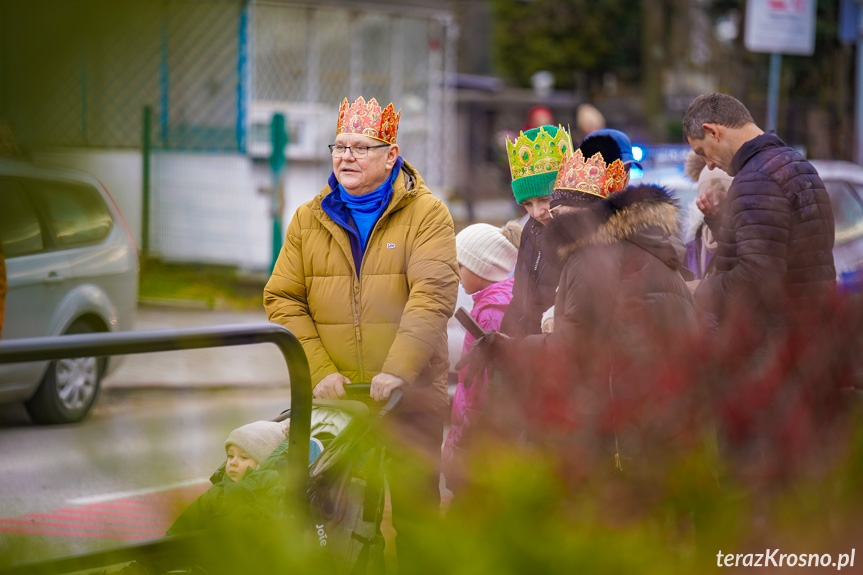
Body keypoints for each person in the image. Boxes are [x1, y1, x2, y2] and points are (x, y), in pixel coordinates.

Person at [263, 96, 459, 570]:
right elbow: (282, 297)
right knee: (336, 521)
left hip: (409, 401)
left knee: (415, 520)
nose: (345, 157)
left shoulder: (427, 214)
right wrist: (320, 370)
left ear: (391, 155)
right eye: (340, 146)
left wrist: (397, 371)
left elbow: (432, 295)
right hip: (337, 403)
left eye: (360, 148)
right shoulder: (309, 218)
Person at [460, 130, 697, 478]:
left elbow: (575, 343)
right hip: (646, 413)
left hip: (618, 419)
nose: (552, 218)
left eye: (564, 211)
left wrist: (512, 350)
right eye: (555, 210)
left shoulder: (593, 256)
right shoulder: (639, 245)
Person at [682, 92, 836, 328]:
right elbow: (779, 251)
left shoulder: (757, 178)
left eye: (702, 151)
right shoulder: (795, 164)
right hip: (808, 333)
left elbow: (757, 278)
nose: (709, 164)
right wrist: (723, 217)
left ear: (712, 131)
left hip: (773, 339)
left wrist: (700, 290)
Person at [442, 220, 520, 494]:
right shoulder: (494, 304)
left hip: (479, 434)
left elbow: (480, 384)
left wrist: (462, 438)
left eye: (460, 266)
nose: (456, 273)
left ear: (481, 268)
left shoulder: (490, 313)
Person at [498, 125, 570, 337]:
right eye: (527, 204)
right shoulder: (531, 228)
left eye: (545, 200)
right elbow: (520, 299)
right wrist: (505, 344)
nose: (536, 212)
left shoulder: (585, 236)